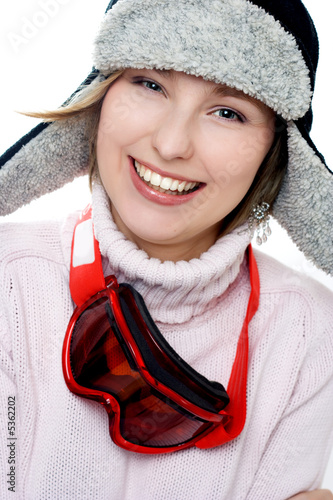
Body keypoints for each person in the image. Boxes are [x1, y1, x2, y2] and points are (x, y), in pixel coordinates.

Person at [0, 0, 332, 498]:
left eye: (228, 112)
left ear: (275, 151)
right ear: (99, 98)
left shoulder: (311, 334)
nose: (172, 144)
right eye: (150, 84)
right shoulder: (7, 279)